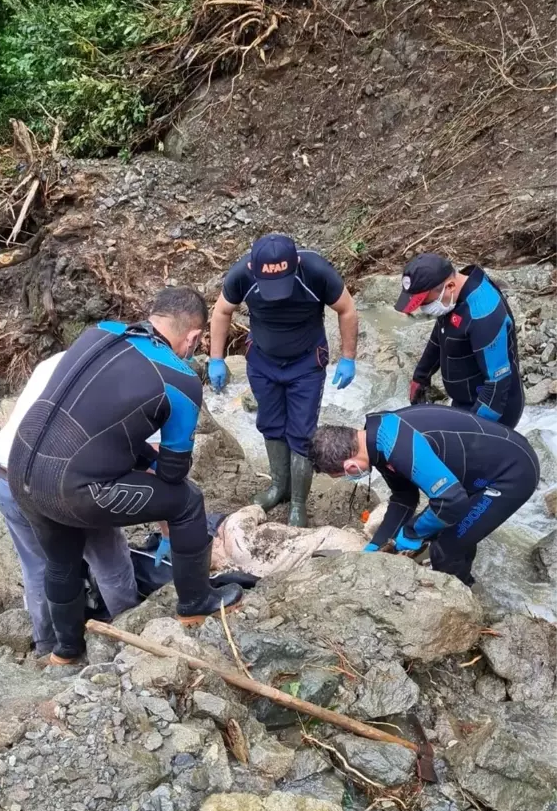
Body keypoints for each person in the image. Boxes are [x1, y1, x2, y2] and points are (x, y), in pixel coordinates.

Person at [8, 286, 242, 663]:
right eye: (195, 345)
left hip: (22, 472)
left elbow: (98, 422)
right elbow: (172, 473)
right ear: (194, 337)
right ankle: (197, 602)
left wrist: (135, 454)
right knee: (188, 503)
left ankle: (65, 651)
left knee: (61, 561)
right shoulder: (181, 380)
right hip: (76, 489)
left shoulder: (100, 331)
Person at [0, 353, 139, 658]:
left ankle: (46, 647)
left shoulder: (54, 361)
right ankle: (130, 635)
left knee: (38, 567)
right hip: (55, 482)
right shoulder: (122, 376)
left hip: (4, 473)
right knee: (109, 557)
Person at [208, 233, 358, 526]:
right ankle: (279, 487)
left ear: (297, 263)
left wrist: (348, 357)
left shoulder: (316, 271)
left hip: (305, 363)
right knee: (270, 423)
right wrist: (216, 358)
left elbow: (347, 309)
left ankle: (299, 504)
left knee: (302, 433)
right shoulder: (242, 274)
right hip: (263, 361)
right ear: (254, 268)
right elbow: (222, 311)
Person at [308, 405, 540, 586]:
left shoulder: (396, 445)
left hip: (512, 474)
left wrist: (411, 532)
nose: (351, 477)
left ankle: (463, 605)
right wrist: (376, 545)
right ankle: (464, 577)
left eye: (344, 475)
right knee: (452, 532)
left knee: (444, 549)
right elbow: (403, 497)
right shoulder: (375, 442)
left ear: (350, 466)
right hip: (478, 472)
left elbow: (451, 500)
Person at [395, 252, 523, 428]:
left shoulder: (483, 314)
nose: (422, 309)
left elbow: (497, 384)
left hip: (495, 411)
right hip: (464, 400)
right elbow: (440, 336)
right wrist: (421, 376)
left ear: (450, 286)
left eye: (425, 302)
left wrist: (471, 431)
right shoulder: (453, 298)